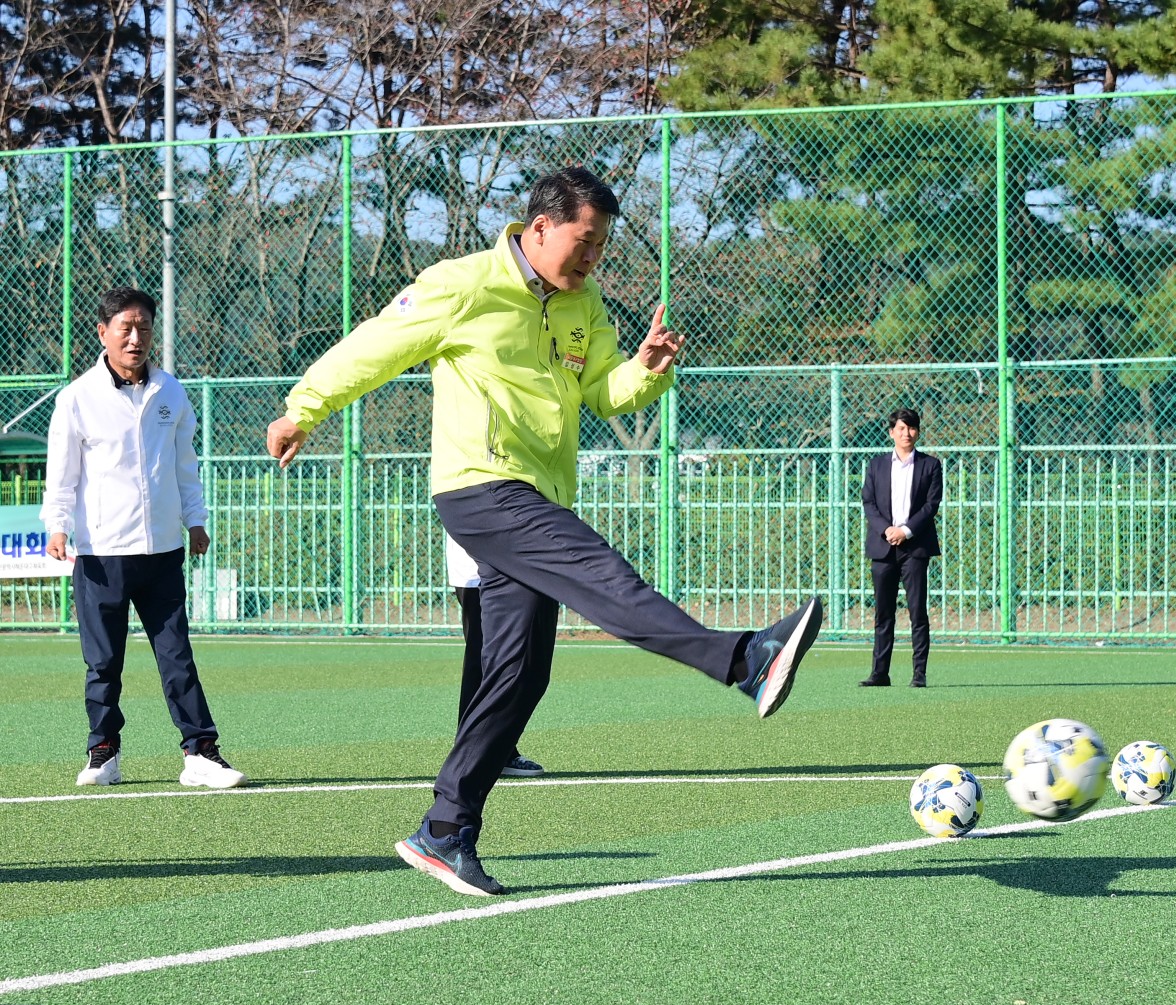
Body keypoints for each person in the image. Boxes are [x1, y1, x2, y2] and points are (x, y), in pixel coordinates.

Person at [266, 167, 821, 897]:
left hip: (537, 492)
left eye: (602, 245)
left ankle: (444, 830)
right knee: (602, 577)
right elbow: (374, 346)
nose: (593, 257)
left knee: (520, 671)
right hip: (482, 486)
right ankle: (744, 659)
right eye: (584, 241)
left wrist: (646, 369)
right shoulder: (463, 284)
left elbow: (603, 392)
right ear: (540, 227)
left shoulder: (583, 303)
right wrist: (303, 409)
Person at [41, 286, 246, 789]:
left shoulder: (170, 392)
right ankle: (103, 753)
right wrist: (57, 524)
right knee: (103, 663)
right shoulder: (76, 398)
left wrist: (195, 520)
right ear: (103, 332)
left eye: (144, 328)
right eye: (125, 328)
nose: (136, 338)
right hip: (101, 554)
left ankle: (201, 753)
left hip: (162, 550)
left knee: (177, 656)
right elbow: (62, 473)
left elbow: (184, 465)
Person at [446, 533, 544, 778]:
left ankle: (492, 752)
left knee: (505, 662)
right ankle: (478, 755)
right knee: (485, 661)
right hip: (482, 570)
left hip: (506, 565)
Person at [859, 407, 942, 688]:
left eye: (912, 428)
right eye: (901, 428)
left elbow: (931, 505)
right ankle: (879, 673)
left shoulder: (931, 465)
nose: (907, 433)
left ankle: (919, 674)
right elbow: (869, 503)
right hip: (882, 548)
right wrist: (887, 530)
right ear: (891, 432)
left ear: (918, 432)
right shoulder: (876, 465)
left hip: (915, 549)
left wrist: (905, 531)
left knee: (917, 612)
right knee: (883, 614)